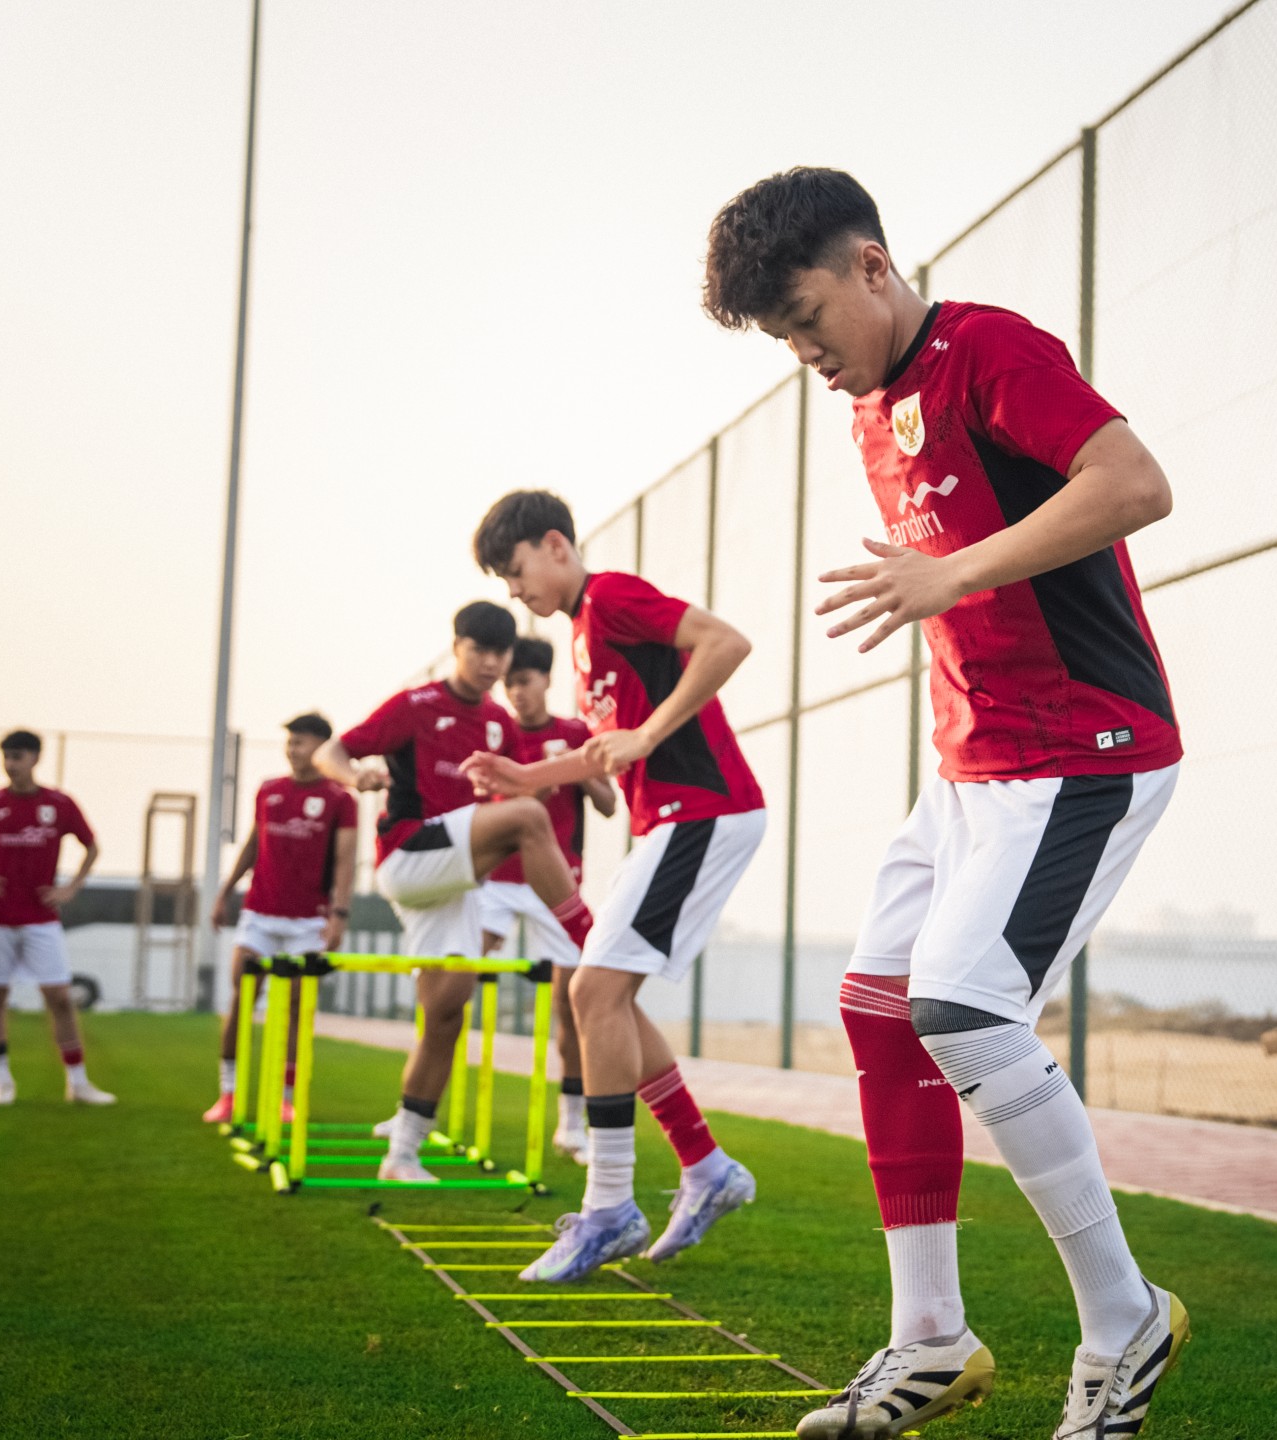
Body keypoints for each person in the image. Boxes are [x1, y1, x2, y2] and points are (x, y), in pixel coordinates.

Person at [702, 167, 1187, 1440]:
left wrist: (951, 573)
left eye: (807, 318)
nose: (803, 352)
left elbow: (1135, 485)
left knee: (964, 1009)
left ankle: (1125, 1320)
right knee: (877, 1012)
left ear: (871, 267)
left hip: (1086, 749)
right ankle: (931, 1339)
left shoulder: (990, 351)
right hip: (971, 771)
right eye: (780, 339)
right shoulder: (874, 403)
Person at [466, 489, 766, 1280]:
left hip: (703, 811)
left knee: (591, 993)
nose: (516, 589)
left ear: (556, 545)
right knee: (610, 1000)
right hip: (669, 820)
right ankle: (705, 1169)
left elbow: (727, 643)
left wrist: (650, 731)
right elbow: (607, 750)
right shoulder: (582, 638)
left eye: (517, 568)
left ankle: (609, 1208)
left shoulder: (616, 597)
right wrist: (528, 773)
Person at [314, 601, 588, 1183]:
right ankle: (583, 931)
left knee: (446, 1013)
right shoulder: (416, 705)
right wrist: (354, 775)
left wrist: (574, 765)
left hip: (454, 880)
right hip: (409, 856)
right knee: (527, 821)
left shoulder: (499, 723)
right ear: (457, 646)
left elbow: (522, 788)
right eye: (479, 650)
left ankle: (404, 1150)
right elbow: (329, 751)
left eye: (500, 653)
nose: (490, 664)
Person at [481, 637, 616, 1161]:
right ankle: (415, 1114)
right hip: (498, 879)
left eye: (525, 681)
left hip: (558, 884)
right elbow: (500, 808)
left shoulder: (573, 732)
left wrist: (579, 767)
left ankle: (571, 1126)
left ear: (545, 681)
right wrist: (540, 778)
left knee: (571, 1003)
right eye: (510, 683)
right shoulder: (497, 733)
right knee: (452, 979)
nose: (517, 692)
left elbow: (606, 805)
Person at [0, 730, 113, 1106]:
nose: (11, 764)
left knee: (60, 998)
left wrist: (71, 888)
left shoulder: (59, 804)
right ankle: (1, 1083)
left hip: (41, 919)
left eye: (18, 756)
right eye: (7, 757)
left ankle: (78, 1083)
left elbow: (91, 845)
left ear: (35, 758)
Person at [201, 713, 359, 1124]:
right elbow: (254, 843)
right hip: (260, 913)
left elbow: (345, 860)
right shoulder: (269, 790)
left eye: (302, 742)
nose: (293, 750)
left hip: (309, 920)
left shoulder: (340, 799)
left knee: (292, 1009)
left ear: (323, 748)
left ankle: (286, 1099)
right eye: (290, 743)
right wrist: (225, 892)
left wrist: (339, 915)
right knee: (242, 997)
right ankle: (228, 1095)